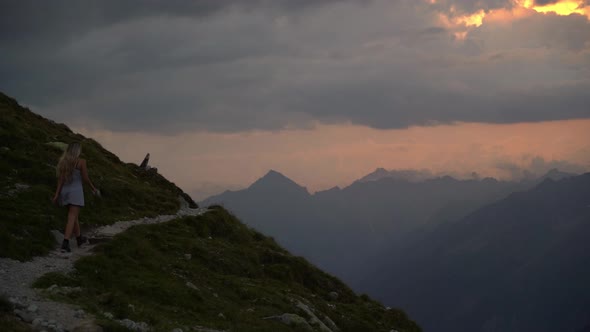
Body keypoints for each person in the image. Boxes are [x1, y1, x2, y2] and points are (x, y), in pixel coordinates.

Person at [52, 142, 98, 253]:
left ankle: (79, 239)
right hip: (76, 192)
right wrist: (93, 188)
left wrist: (57, 194)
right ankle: (65, 243)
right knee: (72, 217)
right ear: (77, 151)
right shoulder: (81, 162)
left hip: (65, 192)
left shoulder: (64, 162)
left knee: (74, 216)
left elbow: (61, 180)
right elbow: (85, 178)